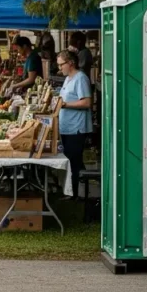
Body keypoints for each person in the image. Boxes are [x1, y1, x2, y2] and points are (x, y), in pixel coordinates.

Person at [57, 48, 93, 196]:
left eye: (61, 64)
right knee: (70, 161)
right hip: (67, 127)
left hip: (76, 128)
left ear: (71, 63)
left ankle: (75, 194)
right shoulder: (68, 78)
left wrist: (65, 105)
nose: (60, 68)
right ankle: (73, 191)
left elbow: (86, 103)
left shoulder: (80, 78)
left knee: (74, 162)